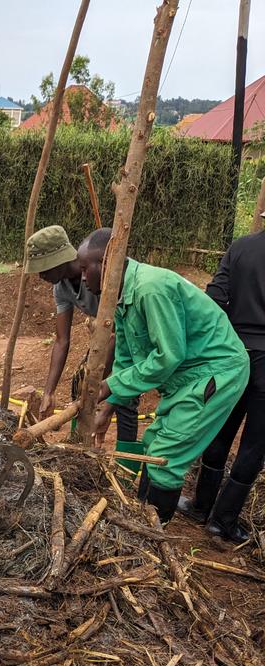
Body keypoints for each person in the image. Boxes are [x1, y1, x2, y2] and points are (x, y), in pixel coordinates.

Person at [79, 231, 250, 523]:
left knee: (166, 456)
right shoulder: (121, 295)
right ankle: (141, 517)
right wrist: (108, 406)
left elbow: (168, 356)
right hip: (186, 377)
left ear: (107, 261)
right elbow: (127, 358)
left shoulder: (151, 288)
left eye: (85, 268)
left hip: (215, 373)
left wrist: (109, 385)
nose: (82, 278)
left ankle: (153, 535)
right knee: (154, 441)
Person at [177, 215, 265, 542]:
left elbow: (215, 298)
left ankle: (201, 505)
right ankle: (223, 520)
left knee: (221, 427)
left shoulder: (241, 247)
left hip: (233, 356)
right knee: (255, 444)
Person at [24, 225, 138, 442]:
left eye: (44, 269)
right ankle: (81, 443)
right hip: (107, 336)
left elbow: (119, 335)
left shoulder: (100, 274)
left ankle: (127, 463)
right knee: (80, 385)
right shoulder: (61, 288)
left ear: (59, 260)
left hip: (130, 336)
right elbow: (61, 340)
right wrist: (49, 392)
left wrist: (99, 376)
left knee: (125, 398)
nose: (41, 276)